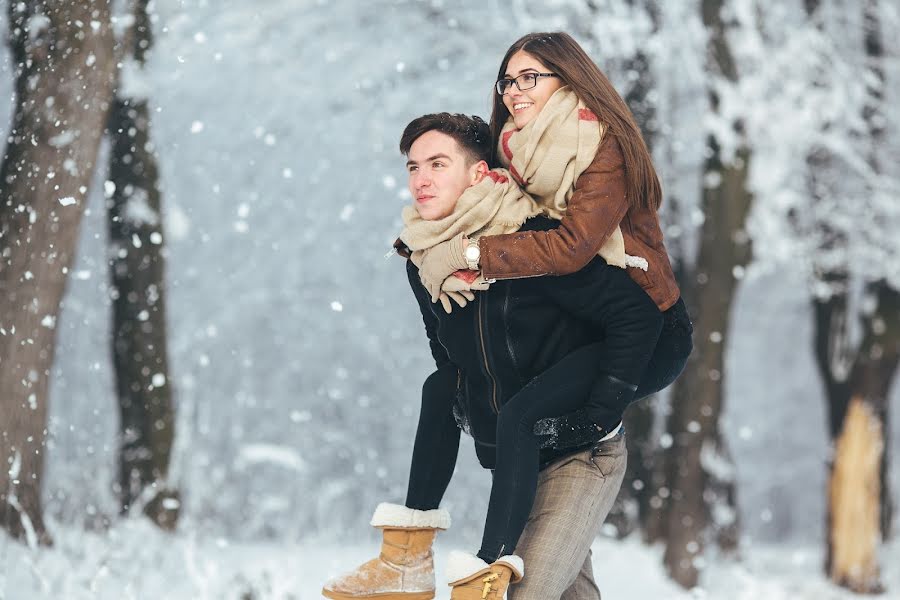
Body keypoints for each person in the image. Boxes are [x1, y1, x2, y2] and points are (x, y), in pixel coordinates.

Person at [406, 32, 692, 600]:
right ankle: (415, 549)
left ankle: (488, 561)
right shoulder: (519, 154)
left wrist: (470, 253)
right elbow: (457, 354)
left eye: (530, 77)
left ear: (570, 79)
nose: (514, 91)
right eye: (508, 80)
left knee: (523, 426)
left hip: (646, 323)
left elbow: (569, 249)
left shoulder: (598, 146)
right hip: (587, 334)